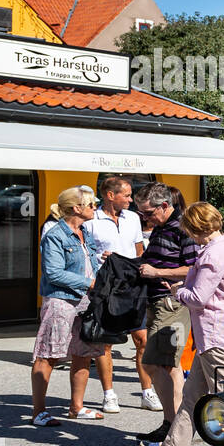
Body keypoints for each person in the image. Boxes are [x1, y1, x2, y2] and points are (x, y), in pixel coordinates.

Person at [140, 202, 224, 446]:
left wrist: (177, 291)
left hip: (216, 333)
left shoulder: (214, 255)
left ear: (195, 227)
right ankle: (174, 445)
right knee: (193, 394)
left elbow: (199, 297)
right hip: (218, 331)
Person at [31, 187, 110, 426]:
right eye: (91, 204)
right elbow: (54, 273)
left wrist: (103, 262)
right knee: (48, 354)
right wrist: (91, 282)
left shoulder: (84, 231)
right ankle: (38, 412)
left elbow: (87, 263)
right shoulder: (55, 235)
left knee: (84, 354)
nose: (95, 208)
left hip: (86, 300)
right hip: (61, 300)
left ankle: (76, 407)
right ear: (76, 208)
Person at [82, 176, 160, 413]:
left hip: (132, 285)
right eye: (126, 195)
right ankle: (109, 394)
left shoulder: (134, 218)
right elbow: (87, 252)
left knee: (143, 340)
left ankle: (147, 391)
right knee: (106, 342)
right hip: (106, 286)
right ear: (110, 195)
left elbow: (138, 249)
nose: (130, 199)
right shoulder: (92, 220)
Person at [133, 183, 199, 445]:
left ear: (164, 206)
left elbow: (195, 268)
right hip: (158, 302)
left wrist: (157, 273)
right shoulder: (162, 226)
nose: (145, 219)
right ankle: (175, 424)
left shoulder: (183, 228)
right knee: (165, 365)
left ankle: (176, 424)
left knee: (156, 363)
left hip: (172, 304)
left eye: (148, 213)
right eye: (141, 214)